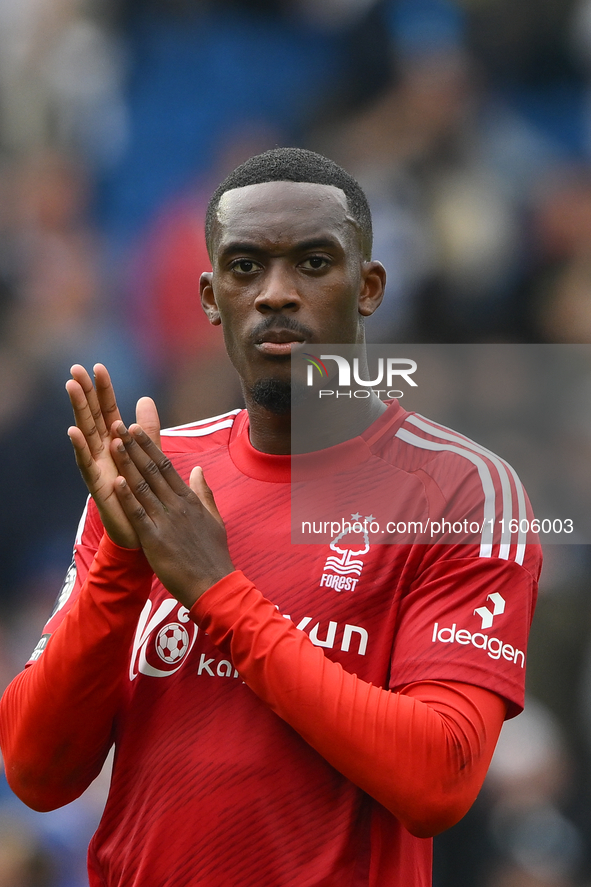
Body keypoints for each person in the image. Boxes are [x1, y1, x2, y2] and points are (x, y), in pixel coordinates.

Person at [0, 148, 541, 887]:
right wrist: (121, 567)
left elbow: (437, 777)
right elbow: (37, 769)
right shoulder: (154, 476)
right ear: (209, 295)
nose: (275, 293)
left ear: (369, 287)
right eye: (245, 266)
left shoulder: (458, 490)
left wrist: (218, 591)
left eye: (313, 264)